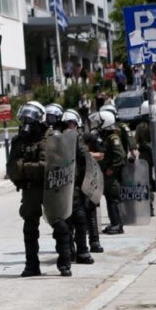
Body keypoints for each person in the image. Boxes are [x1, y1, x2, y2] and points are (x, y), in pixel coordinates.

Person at [7, 101, 72, 277]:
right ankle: (32, 266)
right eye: (24, 118)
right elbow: (12, 169)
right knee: (30, 228)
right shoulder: (18, 141)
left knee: (60, 224)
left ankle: (65, 263)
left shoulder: (53, 138)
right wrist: (36, 167)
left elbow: (57, 165)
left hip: (51, 188)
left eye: (31, 118)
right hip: (30, 189)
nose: (27, 122)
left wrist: (25, 166)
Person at [61, 110, 95, 265]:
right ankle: (69, 252)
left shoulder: (77, 139)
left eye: (72, 123)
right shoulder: (55, 138)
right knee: (65, 221)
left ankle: (82, 251)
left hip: (75, 185)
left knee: (80, 218)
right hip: (61, 185)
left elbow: (85, 157)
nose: (69, 126)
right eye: (67, 123)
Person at [89, 112, 126, 234]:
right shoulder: (106, 137)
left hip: (112, 176)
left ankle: (118, 225)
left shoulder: (113, 138)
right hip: (106, 175)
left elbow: (120, 155)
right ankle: (114, 223)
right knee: (110, 199)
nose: (97, 125)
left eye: (100, 122)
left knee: (113, 200)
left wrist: (112, 168)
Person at [82, 128, 105, 253]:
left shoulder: (88, 137)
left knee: (90, 209)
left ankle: (94, 241)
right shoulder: (63, 138)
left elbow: (101, 154)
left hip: (89, 179)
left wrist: (88, 155)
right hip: (73, 181)